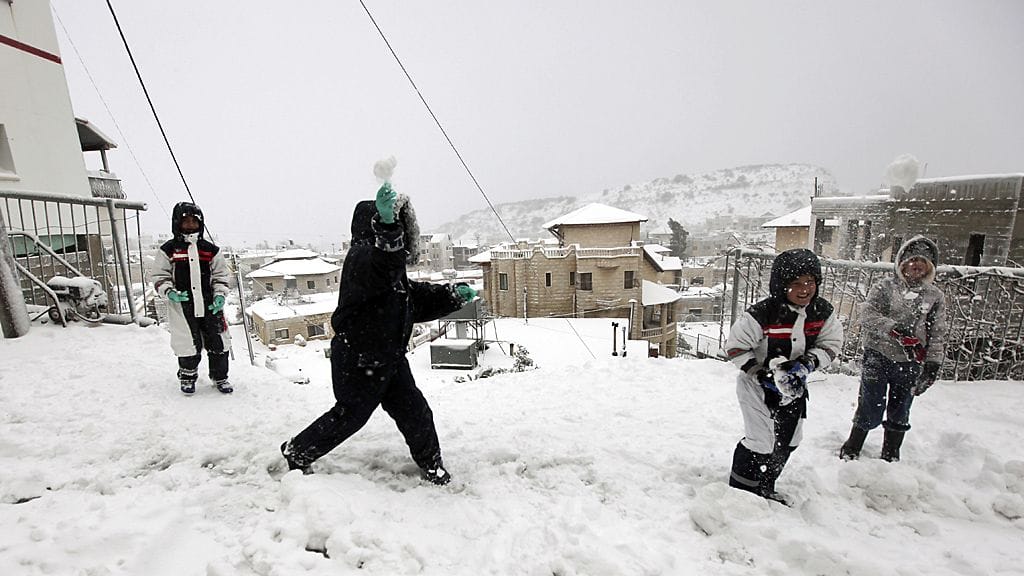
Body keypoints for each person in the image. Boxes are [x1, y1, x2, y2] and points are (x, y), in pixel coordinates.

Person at [280, 182, 476, 485]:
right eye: (391, 222)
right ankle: (297, 451)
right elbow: (384, 264)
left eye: (398, 224)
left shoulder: (393, 273)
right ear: (373, 226)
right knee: (351, 416)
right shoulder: (362, 259)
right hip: (358, 357)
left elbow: (414, 299)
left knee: (415, 411)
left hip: (388, 357)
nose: (398, 229)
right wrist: (387, 227)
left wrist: (451, 296)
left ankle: (431, 464)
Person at [725, 248, 844, 503]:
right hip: (756, 386)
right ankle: (741, 494)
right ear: (781, 285)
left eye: (809, 282)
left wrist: (808, 363)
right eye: (796, 284)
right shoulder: (763, 314)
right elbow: (735, 346)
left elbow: (831, 343)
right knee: (760, 440)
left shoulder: (822, 312)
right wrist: (760, 373)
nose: (804, 289)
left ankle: (766, 484)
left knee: (789, 438)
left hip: (794, 386)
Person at [839, 235, 946, 462]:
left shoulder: (934, 296)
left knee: (901, 407)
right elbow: (867, 314)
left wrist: (933, 363)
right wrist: (893, 329)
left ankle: (891, 452)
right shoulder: (886, 287)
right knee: (870, 403)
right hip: (878, 354)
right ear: (902, 262)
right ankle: (853, 445)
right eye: (912, 259)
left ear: (930, 267)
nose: (916, 265)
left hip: (910, 361)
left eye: (922, 261)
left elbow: (937, 332)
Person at [152, 202, 232, 395]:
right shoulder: (169, 250)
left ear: (200, 223)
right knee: (188, 344)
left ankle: (220, 377)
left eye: (194, 221)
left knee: (219, 343)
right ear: (177, 223)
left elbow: (221, 276)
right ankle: (187, 376)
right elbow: (159, 276)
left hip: (210, 305)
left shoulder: (211, 250)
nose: (190, 225)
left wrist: (220, 295)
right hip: (183, 306)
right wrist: (169, 292)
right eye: (185, 221)